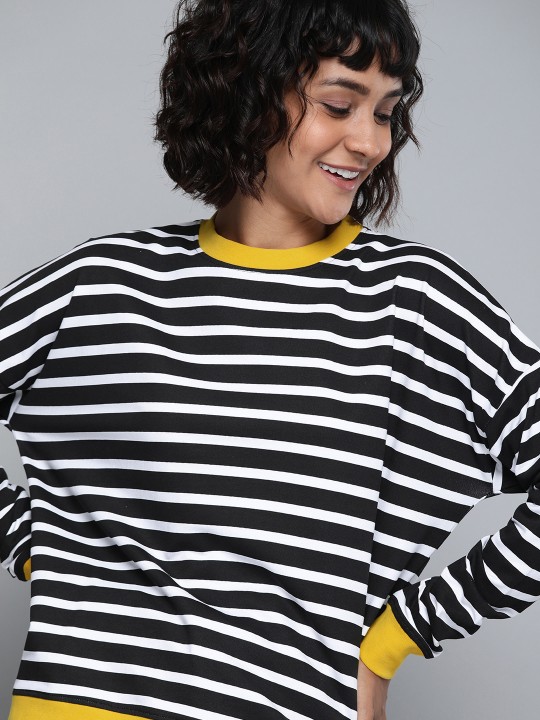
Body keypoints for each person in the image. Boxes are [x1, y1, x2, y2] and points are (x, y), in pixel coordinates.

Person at [1, 1, 539, 719]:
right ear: (247, 91)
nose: (369, 142)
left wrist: (399, 637)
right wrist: (35, 544)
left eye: (385, 112)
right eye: (339, 104)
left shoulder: (415, 303)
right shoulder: (105, 283)